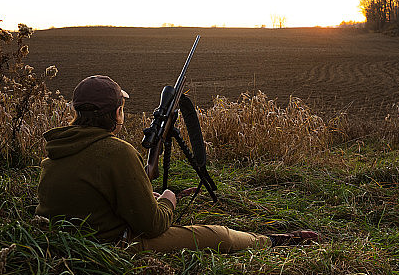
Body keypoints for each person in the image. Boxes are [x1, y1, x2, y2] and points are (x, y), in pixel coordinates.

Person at [36, 75, 319, 253]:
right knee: (214, 235)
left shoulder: (56, 150)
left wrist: (144, 194)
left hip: (65, 243)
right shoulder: (116, 152)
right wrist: (168, 201)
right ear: (117, 113)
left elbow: (90, 197)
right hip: (110, 246)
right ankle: (272, 241)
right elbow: (152, 226)